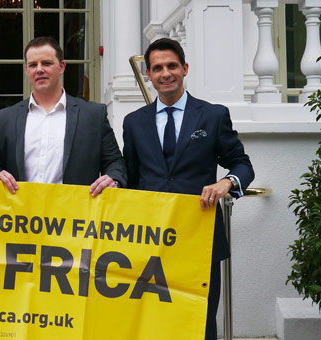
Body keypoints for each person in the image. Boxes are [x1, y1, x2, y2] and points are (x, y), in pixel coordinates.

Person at [122, 38, 254, 340]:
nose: (165, 73)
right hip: (149, 241)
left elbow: (243, 165)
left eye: (171, 66)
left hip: (200, 237)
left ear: (185, 68)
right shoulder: (133, 123)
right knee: (152, 322)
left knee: (200, 321)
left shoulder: (212, 115)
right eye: (157, 68)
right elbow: (130, 179)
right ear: (148, 75)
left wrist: (226, 183)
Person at [0, 36, 125, 196]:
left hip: (75, 214)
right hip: (20, 214)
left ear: (62, 67)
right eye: (33, 65)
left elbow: (115, 162)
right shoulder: (5, 118)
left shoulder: (93, 115)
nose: (39, 69)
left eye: (47, 63)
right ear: (27, 70)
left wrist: (113, 179)